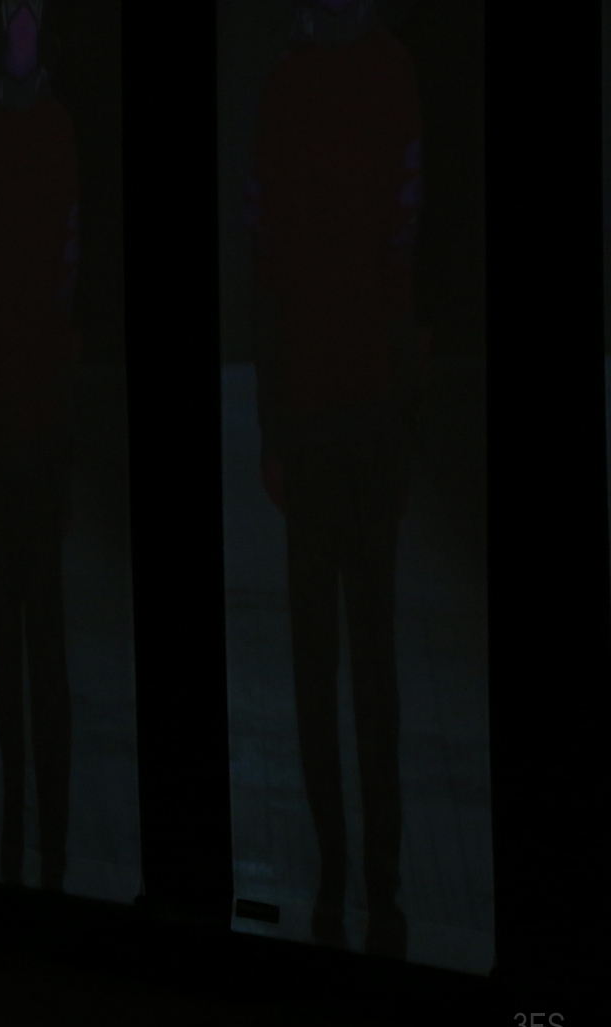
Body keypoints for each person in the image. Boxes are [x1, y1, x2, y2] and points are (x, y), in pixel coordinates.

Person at [247, 0, 422, 959]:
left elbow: (395, 254)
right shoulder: (325, 78)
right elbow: (276, 263)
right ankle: (356, 874)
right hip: (334, 415)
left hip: (341, 414)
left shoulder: (349, 75)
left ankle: (362, 875)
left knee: (350, 664)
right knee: (341, 663)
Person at [0, 0, 80, 892]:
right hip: (10, 424)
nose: (22, 27)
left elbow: (60, 297)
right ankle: (30, 814)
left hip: (29, 422)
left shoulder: (41, 135)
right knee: (20, 633)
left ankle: (41, 818)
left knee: (34, 634)